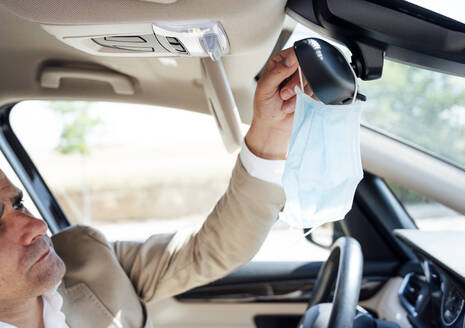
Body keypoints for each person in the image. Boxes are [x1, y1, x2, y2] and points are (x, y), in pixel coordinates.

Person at [0, 47, 313, 328]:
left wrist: (270, 134)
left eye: (18, 204)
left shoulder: (86, 259)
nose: (38, 226)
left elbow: (210, 250)